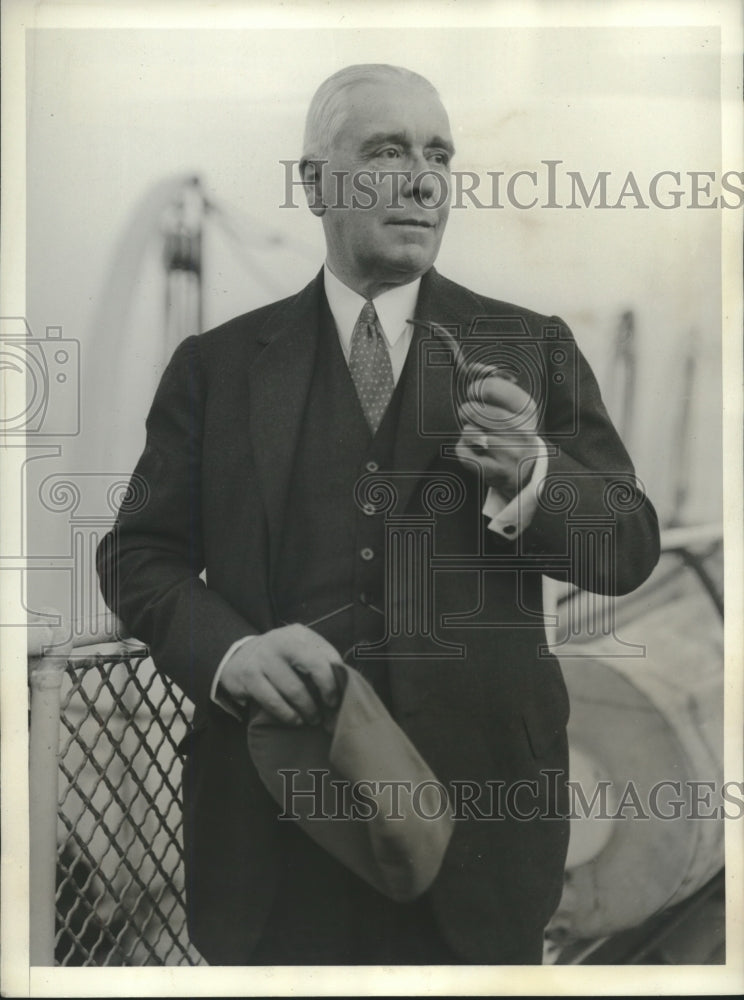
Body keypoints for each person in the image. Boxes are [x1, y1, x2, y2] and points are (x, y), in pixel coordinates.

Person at [97, 63, 660, 965]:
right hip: (276, 826)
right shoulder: (219, 368)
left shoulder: (532, 344)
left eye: (439, 154)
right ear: (315, 181)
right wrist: (233, 655)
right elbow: (138, 555)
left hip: (481, 836)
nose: (424, 179)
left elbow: (628, 545)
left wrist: (535, 478)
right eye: (387, 151)